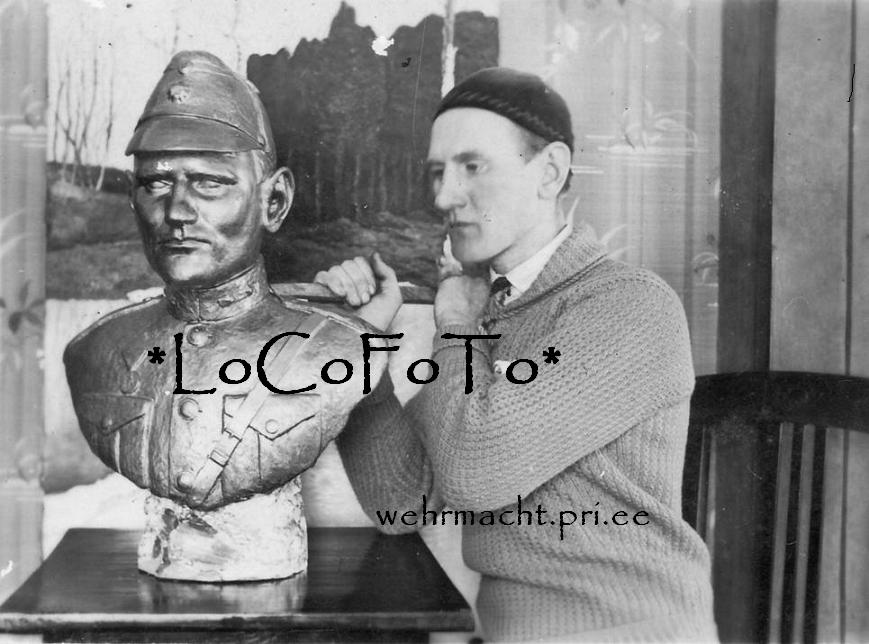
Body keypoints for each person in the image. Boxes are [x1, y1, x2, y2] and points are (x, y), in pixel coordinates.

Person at [315, 67, 718, 641]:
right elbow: (400, 502)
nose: (442, 197)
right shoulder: (491, 309)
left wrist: (457, 325)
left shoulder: (628, 305)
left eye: (472, 167)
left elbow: (476, 478)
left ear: (549, 171)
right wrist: (362, 344)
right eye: (438, 172)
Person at [63, 51, 387, 581]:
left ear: (273, 201)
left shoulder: (344, 350)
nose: (176, 211)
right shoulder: (92, 352)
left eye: (209, 182)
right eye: (155, 183)